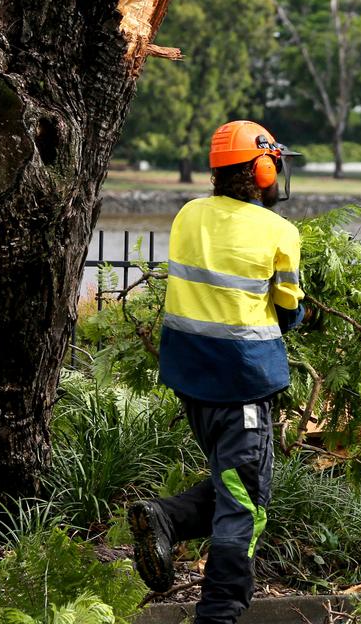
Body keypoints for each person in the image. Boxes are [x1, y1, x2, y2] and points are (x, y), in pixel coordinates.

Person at [129, 120, 305, 624]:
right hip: (243, 383)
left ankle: (165, 516)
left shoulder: (188, 216)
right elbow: (288, 310)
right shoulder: (279, 231)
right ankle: (219, 614)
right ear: (263, 169)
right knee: (245, 504)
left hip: (192, 382)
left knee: (237, 483)